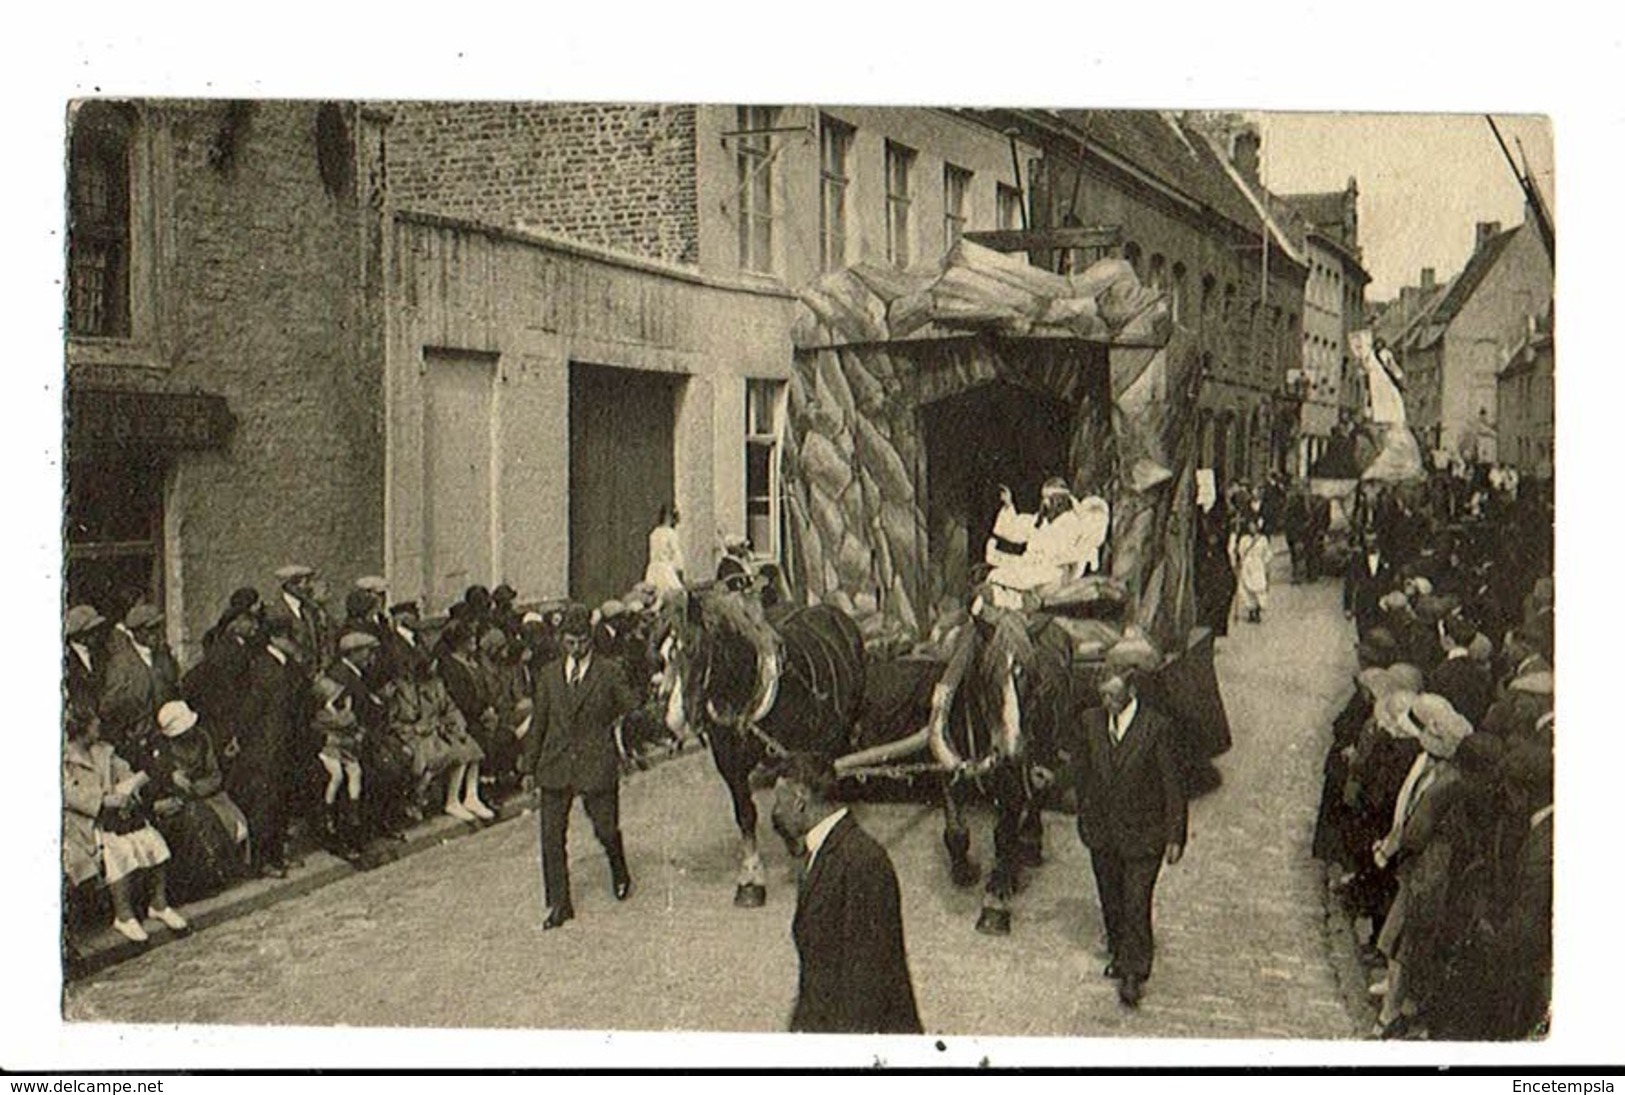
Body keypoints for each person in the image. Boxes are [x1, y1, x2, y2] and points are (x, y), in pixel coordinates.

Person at [1063, 635, 1188, 1008]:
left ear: (1131, 692)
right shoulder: (1091, 723)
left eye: (1114, 697)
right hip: (1102, 831)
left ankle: (1134, 972)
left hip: (1144, 833)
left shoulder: (1156, 729)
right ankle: (1120, 954)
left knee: (1136, 901)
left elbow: (1173, 786)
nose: (1108, 703)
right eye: (1104, 697)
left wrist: (1175, 835)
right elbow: (1080, 769)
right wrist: (1053, 780)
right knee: (1111, 900)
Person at [770, 751, 923, 1034]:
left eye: (780, 802)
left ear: (800, 799)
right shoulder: (825, 851)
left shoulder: (862, 860)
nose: (776, 812)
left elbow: (867, 977)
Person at [529, 603, 639, 929]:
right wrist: (528, 766)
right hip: (556, 762)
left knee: (605, 829)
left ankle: (618, 866)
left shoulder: (608, 672)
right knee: (551, 838)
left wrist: (627, 732)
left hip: (595, 762)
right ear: (561, 640)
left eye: (582, 642)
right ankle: (560, 904)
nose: (576, 649)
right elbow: (539, 723)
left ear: (590, 640)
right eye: (569, 643)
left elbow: (630, 707)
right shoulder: (548, 675)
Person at [62, 707, 189, 943]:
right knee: (117, 850)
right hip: (85, 823)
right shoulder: (64, 759)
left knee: (151, 839)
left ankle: (159, 904)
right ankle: (124, 915)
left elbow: (124, 772)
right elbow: (68, 794)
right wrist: (102, 800)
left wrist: (129, 790)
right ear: (81, 730)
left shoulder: (104, 751)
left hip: (116, 814)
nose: (98, 727)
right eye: (94, 724)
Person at [146, 700, 250, 903]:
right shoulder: (160, 747)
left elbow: (214, 775)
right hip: (176, 801)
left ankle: (220, 873)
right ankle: (201, 881)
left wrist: (194, 789)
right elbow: (156, 782)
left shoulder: (202, 738)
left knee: (232, 824)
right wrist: (172, 780)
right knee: (196, 824)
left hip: (206, 794)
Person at [229, 614, 307, 877]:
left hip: (285, 742)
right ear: (274, 638)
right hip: (266, 745)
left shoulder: (285, 665)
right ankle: (262, 860)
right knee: (265, 803)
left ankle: (276, 854)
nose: (293, 642)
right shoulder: (264, 667)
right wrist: (242, 738)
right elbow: (251, 711)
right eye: (288, 637)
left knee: (281, 801)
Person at [984, 478, 1109, 605]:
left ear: (1059, 500)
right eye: (1044, 498)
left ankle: (1018, 601)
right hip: (1033, 565)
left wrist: (1054, 561)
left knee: (1031, 582)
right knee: (998, 575)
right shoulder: (1040, 520)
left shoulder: (1073, 522)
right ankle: (1002, 599)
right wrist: (1008, 505)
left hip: (1054, 571)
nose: (1045, 503)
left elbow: (1076, 552)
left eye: (1049, 499)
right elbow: (1014, 528)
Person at [98, 603, 179, 756]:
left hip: (165, 735)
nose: (156, 634)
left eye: (158, 627)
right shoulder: (121, 663)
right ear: (137, 632)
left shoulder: (163, 655)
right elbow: (110, 706)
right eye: (150, 629)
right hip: (137, 740)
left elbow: (173, 687)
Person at [268, 564, 333, 674]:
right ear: (291, 585)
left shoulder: (308, 610)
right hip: (290, 673)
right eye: (305, 582)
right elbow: (281, 642)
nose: (309, 587)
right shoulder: (276, 611)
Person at [1228, 517, 1272, 624]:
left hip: (1258, 565)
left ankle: (1257, 609)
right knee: (1246, 588)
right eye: (1250, 526)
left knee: (1258, 587)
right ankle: (1251, 610)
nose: (1252, 528)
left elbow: (1267, 553)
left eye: (1254, 526)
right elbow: (1239, 552)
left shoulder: (1262, 539)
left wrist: (1266, 565)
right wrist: (1238, 562)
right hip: (1247, 565)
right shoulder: (1244, 539)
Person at [644, 504, 687, 604]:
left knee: (654, 598)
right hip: (665, 570)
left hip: (652, 570)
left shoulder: (654, 533)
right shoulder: (670, 533)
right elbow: (677, 556)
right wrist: (680, 573)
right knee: (680, 597)